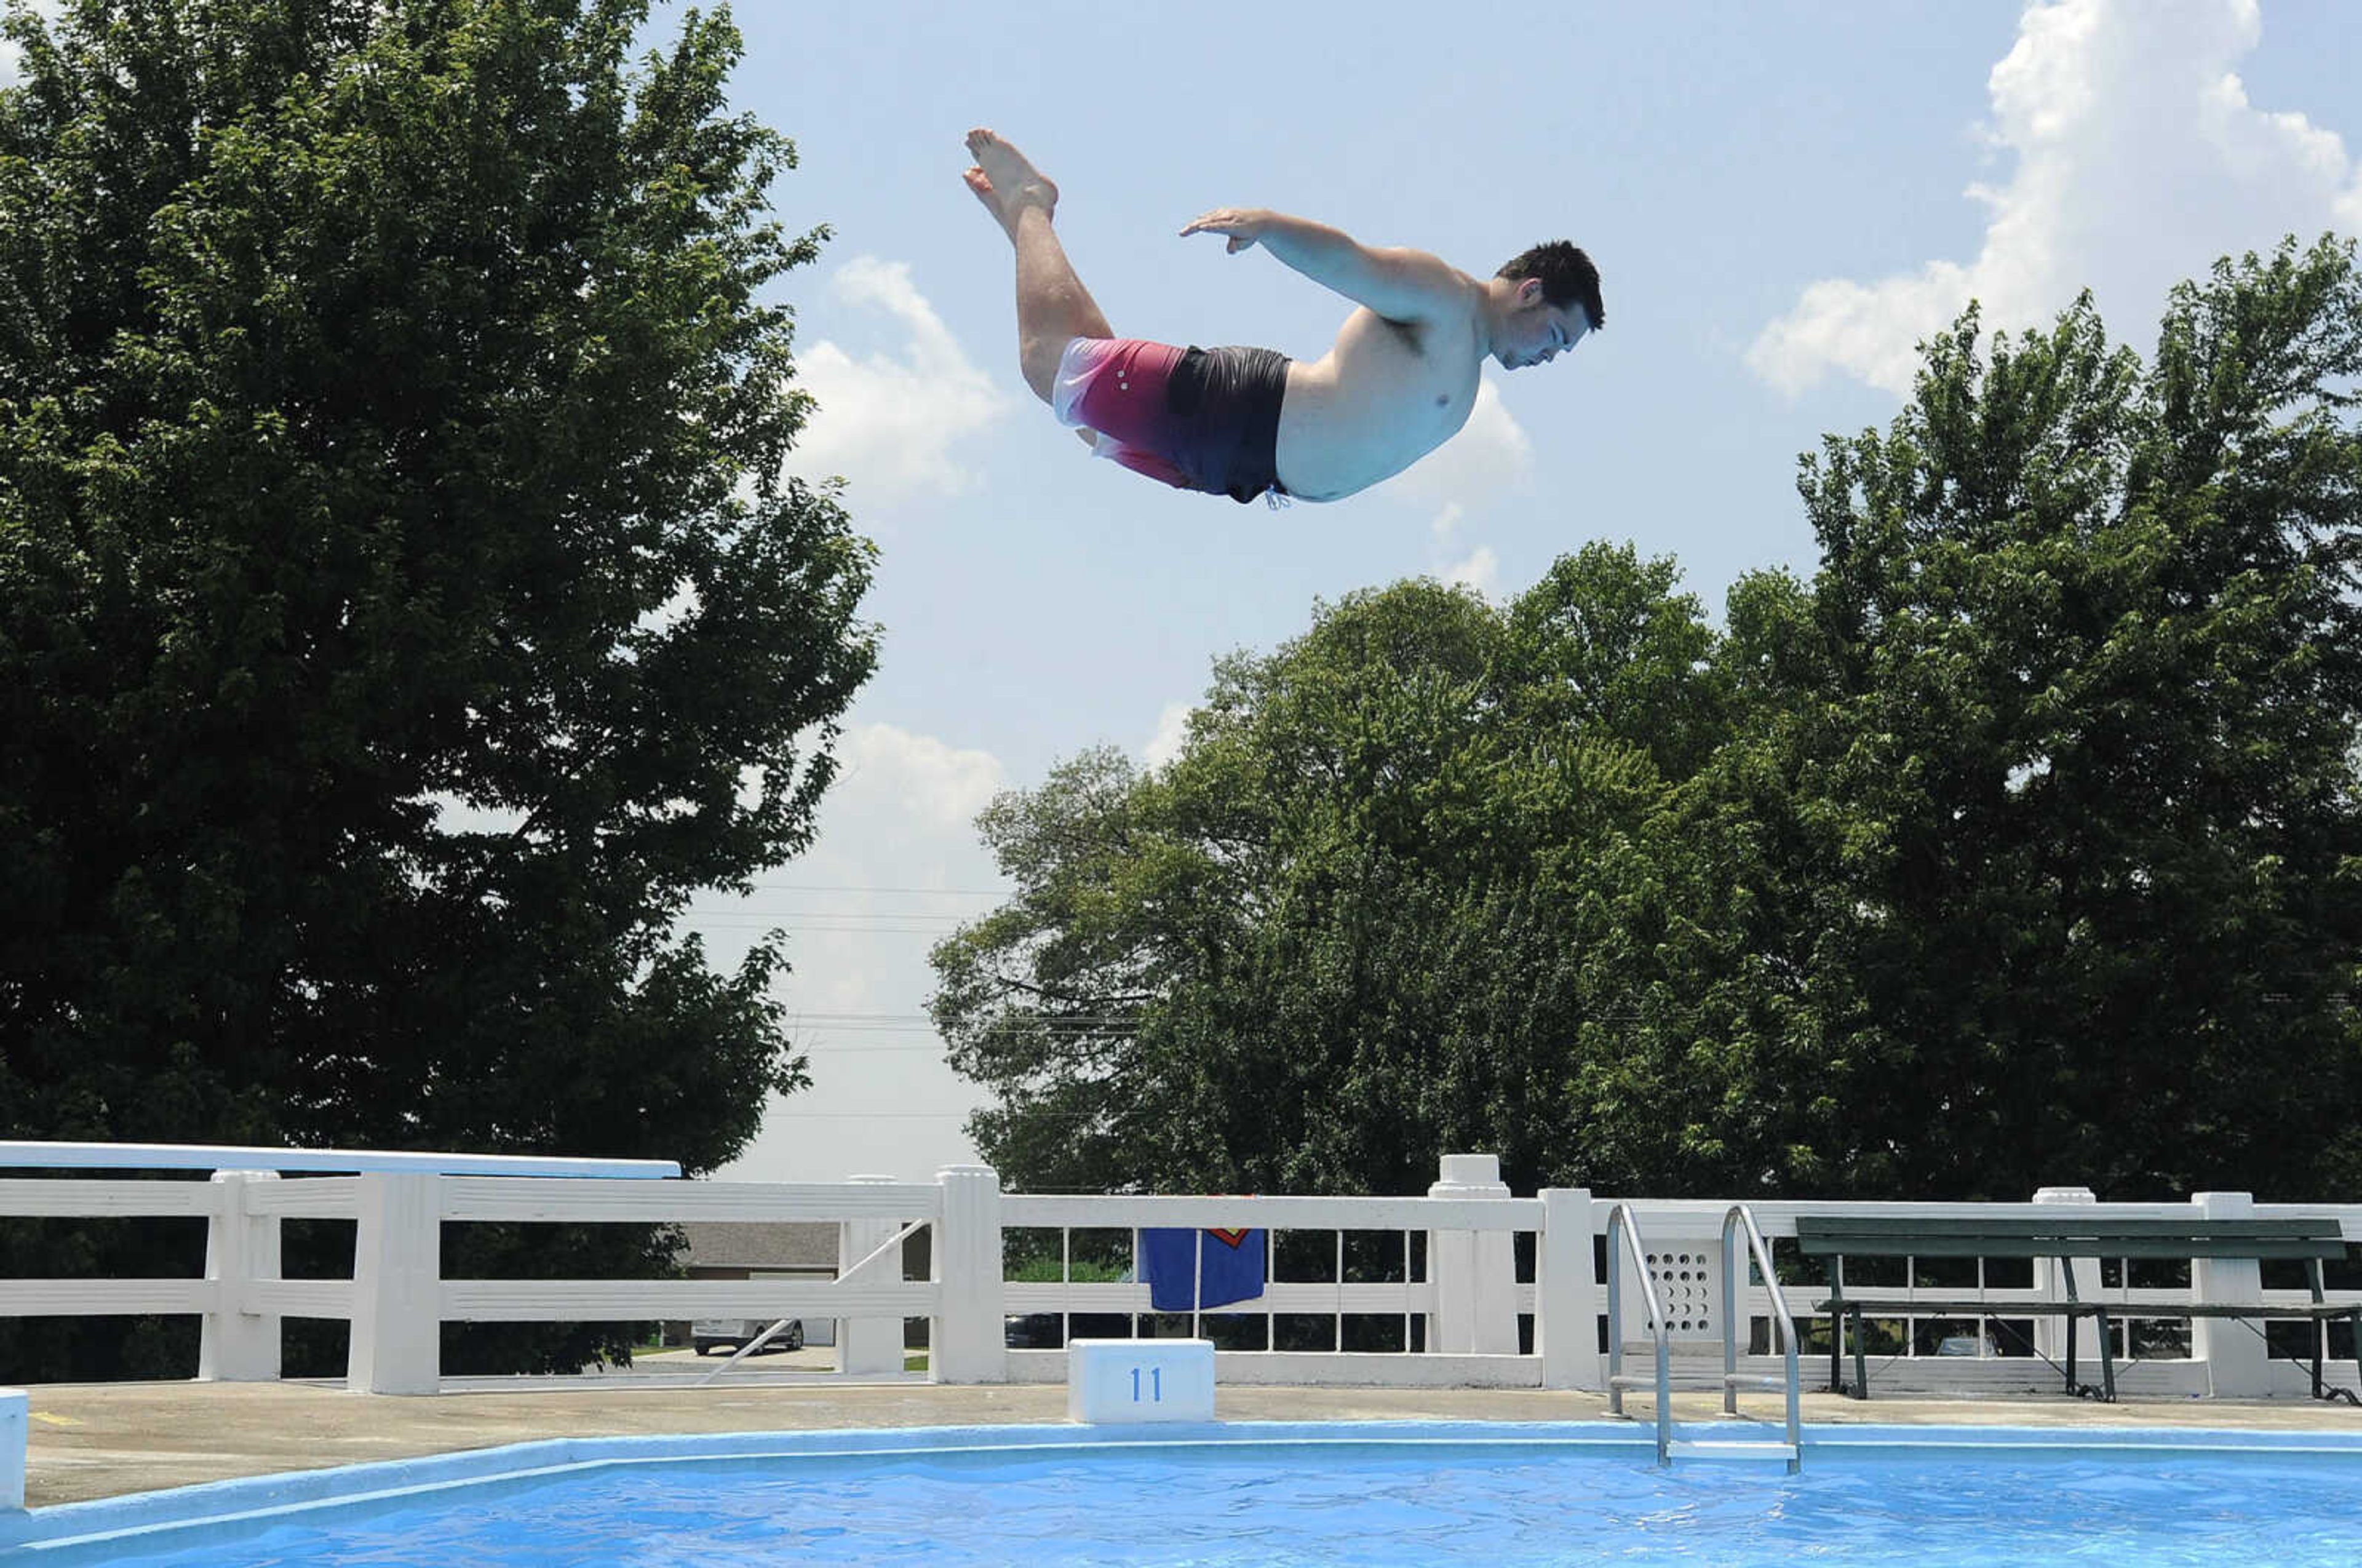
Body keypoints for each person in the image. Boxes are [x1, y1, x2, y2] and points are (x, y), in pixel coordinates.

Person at [960, 127, 1602, 506]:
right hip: (1239, 411)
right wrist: (1271, 227)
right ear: (1530, 291)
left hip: (1238, 469)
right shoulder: (1446, 300)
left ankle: (1025, 230)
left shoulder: (1467, 376)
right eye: (1554, 335)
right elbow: (1354, 262)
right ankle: (1032, 207)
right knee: (1049, 364)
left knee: (1090, 415)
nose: (1549, 355)